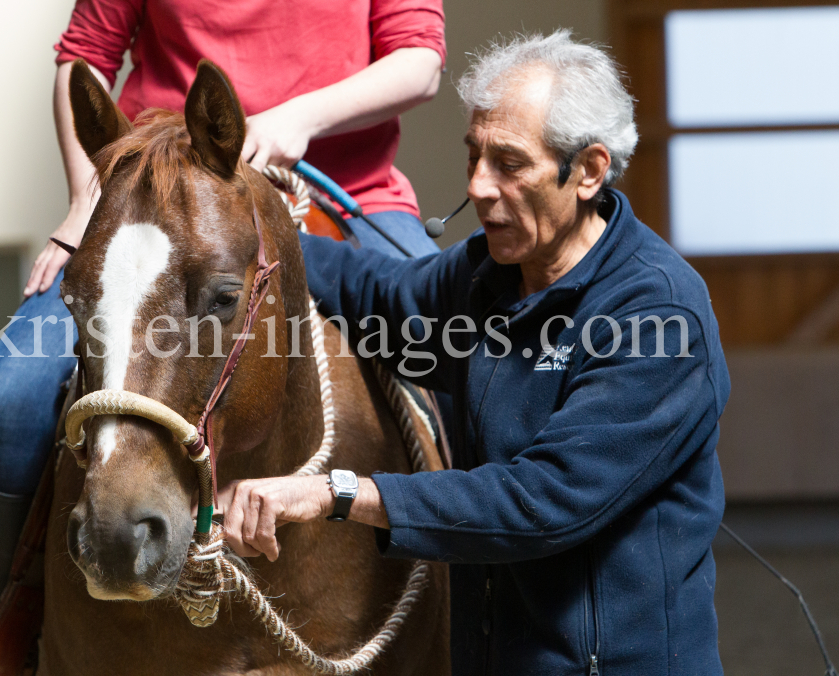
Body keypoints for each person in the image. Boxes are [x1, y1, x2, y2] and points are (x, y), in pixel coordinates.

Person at [219, 30, 730, 675]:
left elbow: (540, 502)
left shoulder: (656, 314)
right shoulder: (485, 275)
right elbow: (376, 292)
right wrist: (249, 227)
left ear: (589, 171)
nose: (480, 188)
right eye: (474, 157)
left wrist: (333, 493)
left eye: (510, 164)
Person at [0, 0, 446, 640]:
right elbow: (85, 55)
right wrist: (90, 197)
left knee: (471, 359)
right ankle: (3, 635)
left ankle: (486, 618)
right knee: (8, 399)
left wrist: (297, 118)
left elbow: (419, 61)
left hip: (342, 194)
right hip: (155, 199)